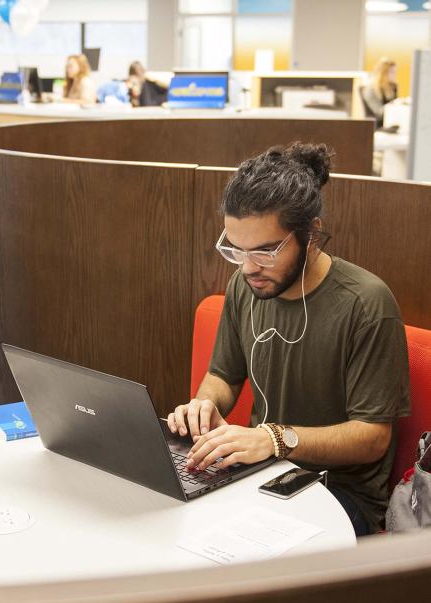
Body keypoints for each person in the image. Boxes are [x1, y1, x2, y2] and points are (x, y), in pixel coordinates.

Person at [167, 142, 410, 536]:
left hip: (340, 494)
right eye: (235, 250)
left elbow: (372, 438)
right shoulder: (244, 287)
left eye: (265, 251)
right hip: (260, 471)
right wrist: (204, 404)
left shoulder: (366, 303)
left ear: (311, 235)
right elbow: (223, 376)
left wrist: (275, 439)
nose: (248, 267)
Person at [361, 57, 398, 129]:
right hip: (377, 127)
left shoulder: (393, 87)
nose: (394, 75)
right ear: (383, 73)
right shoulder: (370, 90)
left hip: (389, 124)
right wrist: (395, 106)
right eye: (392, 72)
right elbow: (379, 112)